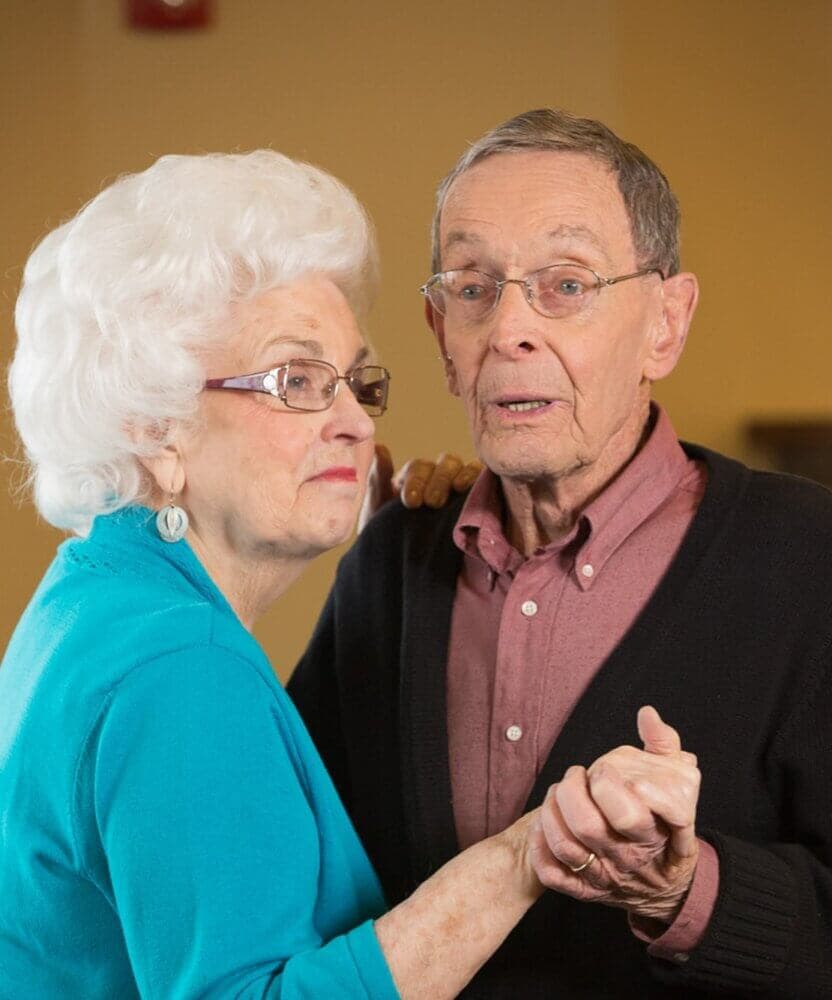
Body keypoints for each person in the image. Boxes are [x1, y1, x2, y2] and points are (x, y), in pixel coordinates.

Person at [289, 110, 832, 998]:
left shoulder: (811, 566)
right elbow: (291, 866)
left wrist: (687, 892)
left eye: (566, 284)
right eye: (473, 286)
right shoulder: (394, 563)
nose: (509, 330)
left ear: (665, 323)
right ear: (439, 336)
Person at [1, 148, 570, 999]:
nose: (350, 420)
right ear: (154, 425)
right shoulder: (177, 664)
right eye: (294, 379)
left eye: (352, 382)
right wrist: (527, 855)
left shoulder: (92, 599)